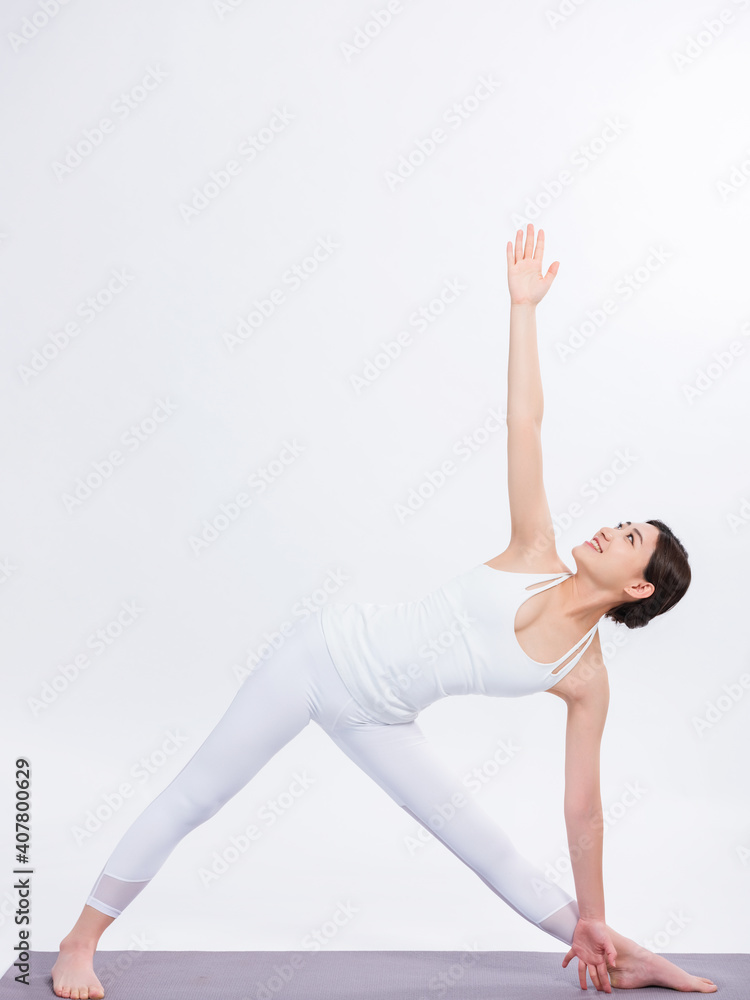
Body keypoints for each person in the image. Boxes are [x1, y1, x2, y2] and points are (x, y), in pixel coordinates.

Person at [51, 224, 718, 998]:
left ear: (639, 587)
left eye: (628, 537)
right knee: (200, 793)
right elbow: (525, 423)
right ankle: (78, 941)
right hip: (321, 658)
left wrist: (594, 908)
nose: (609, 528)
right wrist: (523, 308)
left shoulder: (587, 678)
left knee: (488, 849)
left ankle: (615, 948)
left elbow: (584, 810)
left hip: (381, 720)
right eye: (621, 521)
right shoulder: (536, 549)